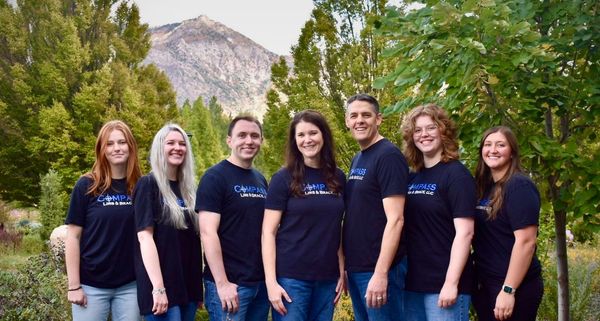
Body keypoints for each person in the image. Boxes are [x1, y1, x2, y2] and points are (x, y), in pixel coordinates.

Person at [262, 110, 346, 321]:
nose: (307, 140)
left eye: (313, 133)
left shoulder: (338, 177)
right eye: (301, 135)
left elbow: (338, 228)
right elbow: (268, 233)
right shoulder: (282, 178)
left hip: (327, 279)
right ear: (294, 140)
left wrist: (341, 270)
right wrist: (271, 283)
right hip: (291, 279)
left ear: (323, 136)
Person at [400, 104, 475, 321]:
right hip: (411, 284)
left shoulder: (457, 175)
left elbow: (465, 233)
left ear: (444, 131)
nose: (424, 134)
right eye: (418, 130)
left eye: (431, 128)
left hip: (444, 286)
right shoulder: (412, 177)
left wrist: (451, 283)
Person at [65, 120, 142, 321]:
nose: (116, 148)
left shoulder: (140, 187)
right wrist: (74, 286)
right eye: (109, 143)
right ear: (102, 149)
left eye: (122, 142)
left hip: (130, 286)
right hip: (91, 286)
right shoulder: (87, 185)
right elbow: (72, 237)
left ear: (130, 146)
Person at [196, 115, 270, 321]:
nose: (249, 141)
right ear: (229, 140)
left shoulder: (260, 179)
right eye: (242, 135)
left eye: (255, 136)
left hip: (260, 284)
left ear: (261, 141)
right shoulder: (214, 177)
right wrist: (222, 284)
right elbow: (207, 233)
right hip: (231, 287)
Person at [343, 94, 409, 321]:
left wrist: (381, 273)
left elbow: (396, 219)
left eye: (366, 115)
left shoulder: (388, 156)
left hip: (380, 270)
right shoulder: (358, 158)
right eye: (354, 115)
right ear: (347, 121)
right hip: (357, 269)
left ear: (378, 119)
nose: (359, 120)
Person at [472, 126, 543, 321]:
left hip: (514, 287)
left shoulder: (519, 186)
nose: (493, 150)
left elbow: (526, 242)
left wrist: (508, 290)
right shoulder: (484, 188)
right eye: (488, 144)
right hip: (485, 284)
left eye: (501, 145)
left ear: (512, 152)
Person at [133, 123, 202, 321]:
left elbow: (192, 242)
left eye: (182, 144)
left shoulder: (189, 190)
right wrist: (158, 288)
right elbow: (145, 238)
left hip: (187, 288)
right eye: (170, 143)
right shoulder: (148, 185)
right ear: (159, 148)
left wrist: (197, 290)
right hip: (161, 290)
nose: (177, 148)